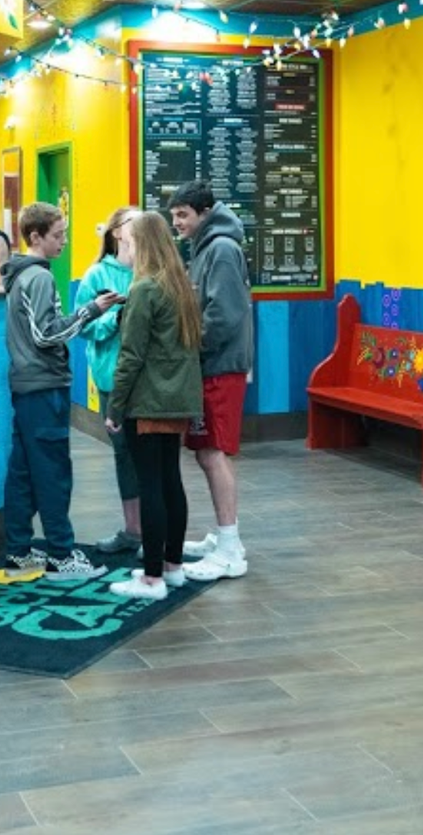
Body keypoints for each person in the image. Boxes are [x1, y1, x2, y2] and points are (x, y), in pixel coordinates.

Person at [0, 201, 119, 581]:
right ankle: (62, 554)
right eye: (58, 235)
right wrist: (91, 311)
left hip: (26, 385)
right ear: (36, 236)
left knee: (24, 471)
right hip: (43, 386)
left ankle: (18, 550)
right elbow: (46, 334)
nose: (63, 241)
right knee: (52, 473)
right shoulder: (39, 278)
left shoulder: (22, 275)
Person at [105, 211, 204, 601]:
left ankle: (151, 579)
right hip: (179, 399)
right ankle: (173, 567)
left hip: (148, 401)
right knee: (170, 482)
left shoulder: (145, 289)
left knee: (150, 486)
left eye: (127, 242)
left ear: (141, 245)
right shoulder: (181, 286)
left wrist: (115, 406)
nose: (124, 249)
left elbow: (131, 355)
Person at [169, 181, 254, 582]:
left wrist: (191, 349)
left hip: (219, 366)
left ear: (205, 212)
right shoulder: (207, 247)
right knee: (206, 452)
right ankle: (222, 537)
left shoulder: (220, 249)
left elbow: (223, 316)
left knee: (214, 453)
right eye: (173, 216)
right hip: (210, 366)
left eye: (183, 215)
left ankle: (230, 547)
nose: (177, 223)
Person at [76, 207, 142, 557]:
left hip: (150, 378)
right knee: (123, 453)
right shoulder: (96, 275)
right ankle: (133, 530)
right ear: (117, 232)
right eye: (134, 222)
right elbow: (82, 327)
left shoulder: (153, 271)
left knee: (152, 454)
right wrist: (113, 317)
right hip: (111, 378)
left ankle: (155, 528)